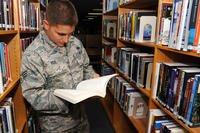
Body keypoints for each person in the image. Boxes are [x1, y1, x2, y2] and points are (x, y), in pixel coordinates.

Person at [20, 0, 99, 132]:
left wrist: (93, 77)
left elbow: (86, 67)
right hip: (56, 127)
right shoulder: (33, 55)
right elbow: (32, 95)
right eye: (61, 34)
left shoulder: (76, 43)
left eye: (70, 33)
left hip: (82, 121)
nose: (67, 40)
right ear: (46, 25)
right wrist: (68, 99)